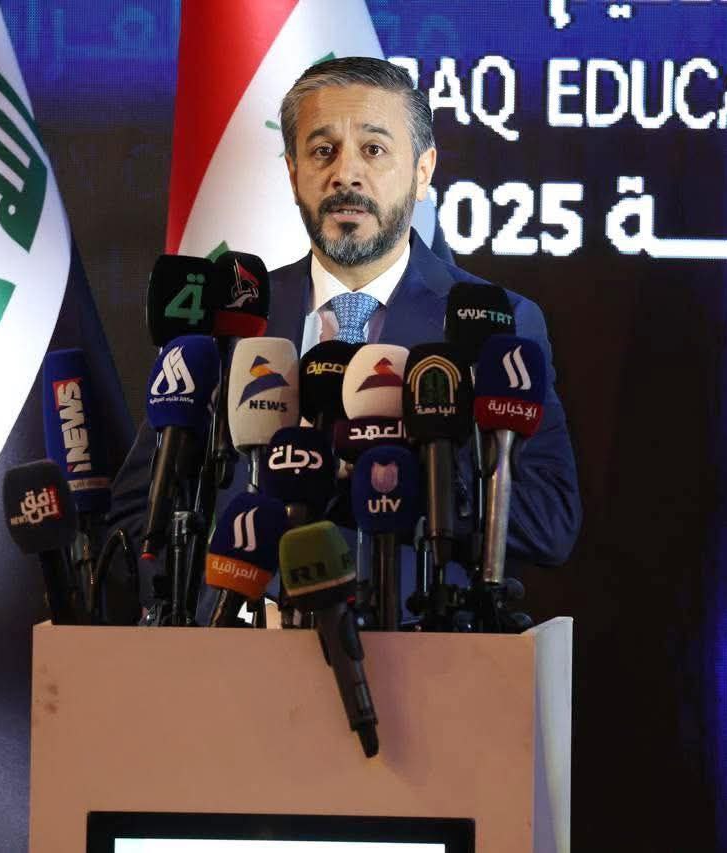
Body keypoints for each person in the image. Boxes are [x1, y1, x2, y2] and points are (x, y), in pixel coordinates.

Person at [107, 57, 580, 621]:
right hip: (238, 651)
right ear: (293, 174)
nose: (345, 175)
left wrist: (416, 472)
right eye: (322, 151)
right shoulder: (230, 321)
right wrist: (200, 613)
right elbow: (138, 514)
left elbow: (550, 522)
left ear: (423, 171)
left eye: (374, 150)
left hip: (420, 647)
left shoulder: (498, 324)